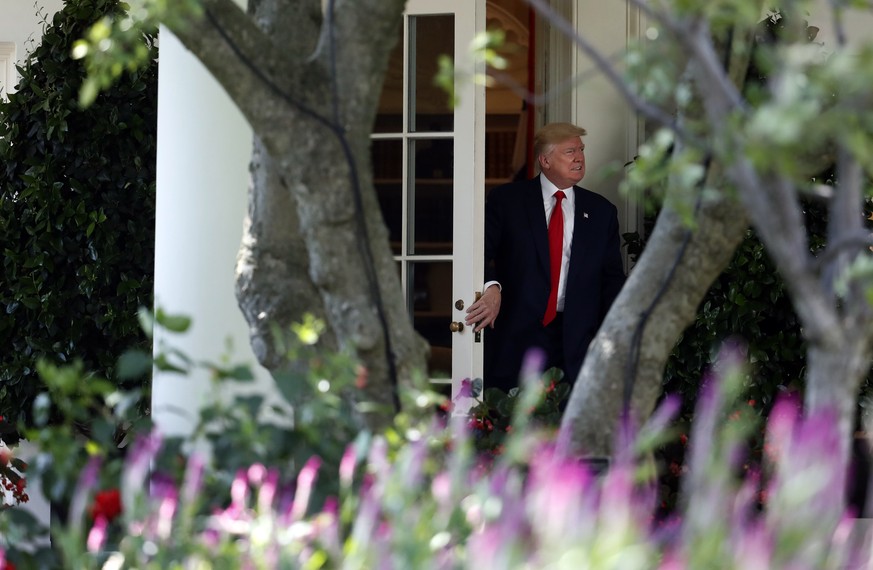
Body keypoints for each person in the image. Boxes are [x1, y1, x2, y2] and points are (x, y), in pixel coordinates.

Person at [464, 122, 626, 393]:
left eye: (581, 150)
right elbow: (477, 253)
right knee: (514, 426)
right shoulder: (507, 201)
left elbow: (611, 279)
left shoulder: (601, 211)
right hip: (517, 337)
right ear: (545, 160)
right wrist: (490, 287)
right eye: (570, 151)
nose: (579, 158)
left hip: (578, 340)